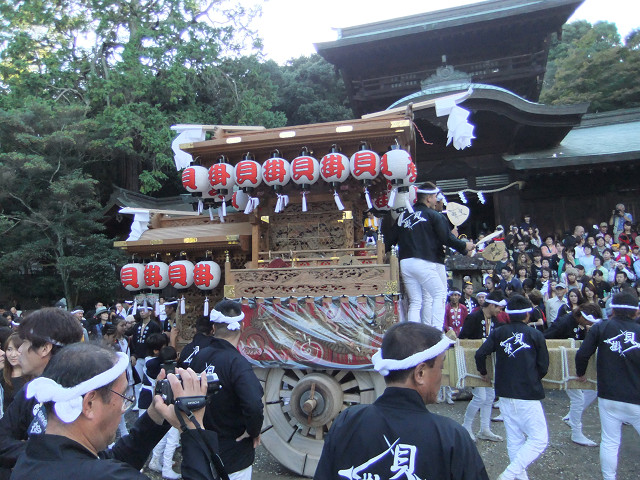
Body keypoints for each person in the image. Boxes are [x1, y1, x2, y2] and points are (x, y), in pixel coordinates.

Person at [11, 342, 222, 480]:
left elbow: (110, 460)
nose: (123, 409)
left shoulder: (33, 455)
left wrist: (154, 415)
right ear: (89, 404)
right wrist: (193, 429)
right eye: (123, 396)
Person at [314, 322, 488, 480]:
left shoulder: (347, 422)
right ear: (420, 373)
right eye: (440, 367)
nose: (441, 377)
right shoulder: (451, 437)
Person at [0, 308, 84, 476]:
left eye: (24, 342)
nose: (19, 350)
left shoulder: (80, 394)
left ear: (45, 348)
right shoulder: (32, 390)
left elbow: (82, 456)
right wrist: (36, 452)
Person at [475, 295, 549, 480]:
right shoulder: (535, 334)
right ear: (527, 314)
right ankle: (508, 475)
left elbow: (480, 354)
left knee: (515, 439)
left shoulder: (499, 332)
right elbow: (543, 366)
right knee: (539, 440)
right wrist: (532, 378)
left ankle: (517, 477)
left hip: (505, 392)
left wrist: (483, 372)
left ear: (508, 314)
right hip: (528, 393)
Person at [190, 300, 264, 480]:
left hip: (202, 450)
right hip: (233, 454)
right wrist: (253, 431)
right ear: (242, 326)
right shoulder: (237, 363)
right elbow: (254, 405)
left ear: (213, 328)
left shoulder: (199, 358)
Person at [388, 183, 474, 328]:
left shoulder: (403, 215)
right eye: (435, 197)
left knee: (416, 301)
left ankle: (414, 333)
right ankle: (436, 332)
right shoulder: (434, 216)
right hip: (424, 261)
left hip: (405, 263)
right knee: (439, 294)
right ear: (428, 198)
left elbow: (390, 239)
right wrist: (464, 247)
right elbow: (446, 238)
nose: (436, 201)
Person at [575, 292, 640, 480]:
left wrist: (581, 373)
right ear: (636, 311)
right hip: (637, 396)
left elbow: (582, 354)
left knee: (610, 441)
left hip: (608, 395)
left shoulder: (601, 327)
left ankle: (609, 478)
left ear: (612, 310)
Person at [544, 304, 602, 447]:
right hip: (562, 365)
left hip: (571, 365)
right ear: (581, 316)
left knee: (591, 391)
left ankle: (573, 422)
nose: (589, 324)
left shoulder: (578, 323)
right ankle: (576, 431)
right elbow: (544, 339)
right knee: (578, 398)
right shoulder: (564, 322)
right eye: (588, 321)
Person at [458, 290, 506, 442]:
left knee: (490, 396)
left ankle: (485, 429)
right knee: (480, 397)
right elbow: (462, 339)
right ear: (492, 305)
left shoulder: (495, 320)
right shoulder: (473, 317)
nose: (500, 311)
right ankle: (466, 426)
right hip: (474, 362)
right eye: (499, 308)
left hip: (489, 363)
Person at [131, 305, 162, 407]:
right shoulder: (136, 326)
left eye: (144, 310)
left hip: (150, 356)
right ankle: (138, 401)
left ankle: (152, 401)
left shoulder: (154, 326)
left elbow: (157, 341)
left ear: (150, 312)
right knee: (138, 381)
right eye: (140, 310)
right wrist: (133, 355)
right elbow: (134, 342)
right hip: (138, 356)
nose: (142, 312)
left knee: (150, 381)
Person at [1, 334, 28, 414]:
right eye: (9, 349)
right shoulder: (2, 375)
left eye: (17, 350)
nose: (13, 354)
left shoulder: (33, 377)